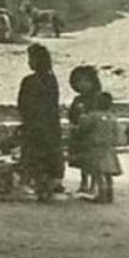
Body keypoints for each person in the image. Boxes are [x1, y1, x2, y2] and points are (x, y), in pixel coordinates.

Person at [17, 43, 64, 200]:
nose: (29, 62)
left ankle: (39, 186)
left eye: (31, 59)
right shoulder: (52, 80)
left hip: (35, 125)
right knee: (47, 156)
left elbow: (23, 104)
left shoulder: (29, 81)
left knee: (35, 157)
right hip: (49, 125)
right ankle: (47, 187)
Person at [77, 92, 122, 203]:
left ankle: (102, 194)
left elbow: (83, 127)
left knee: (98, 172)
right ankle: (109, 193)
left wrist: (81, 117)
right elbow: (118, 133)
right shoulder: (112, 117)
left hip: (96, 147)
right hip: (108, 148)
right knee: (107, 173)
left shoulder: (93, 116)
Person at [68, 65, 102, 193]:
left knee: (93, 160)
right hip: (80, 132)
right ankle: (84, 183)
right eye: (77, 81)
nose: (81, 84)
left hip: (92, 133)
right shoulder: (77, 99)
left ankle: (93, 184)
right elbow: (71, 114)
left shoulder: (98, 98)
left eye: (84, 81)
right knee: (83, 160)